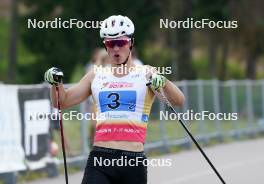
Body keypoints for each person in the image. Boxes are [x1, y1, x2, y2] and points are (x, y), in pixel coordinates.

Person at [44, 15, 185, 184]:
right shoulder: (96, 75)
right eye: (111, 43)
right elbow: (61, 102)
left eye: (121, 42)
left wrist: (164, 82)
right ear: (105, 45)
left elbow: (179, 100)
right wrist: (56, 84)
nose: (116, 48)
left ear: (131, 43)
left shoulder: (146, 73)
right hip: (101, 158)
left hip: (133, 161)